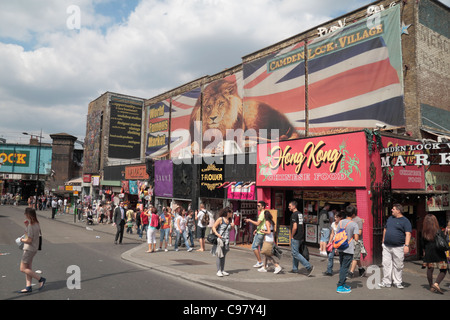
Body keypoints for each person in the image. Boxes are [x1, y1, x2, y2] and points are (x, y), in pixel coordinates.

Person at [378, 203, 412, 289]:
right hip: (386, 246)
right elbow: (385, 229)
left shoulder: (405, 221)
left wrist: (406, 245)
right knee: (386, 264)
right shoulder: (390, 218)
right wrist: (383, 240)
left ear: (398, 210)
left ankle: (397, 282)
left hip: (399, 246)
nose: (391, 210)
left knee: (398, 265)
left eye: (393, 209)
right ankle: (386, 282)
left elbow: (408, 234)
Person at [18, 207, 46, 293]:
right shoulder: (37, 224)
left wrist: (21, 240)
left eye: (25, 214)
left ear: (28, 215)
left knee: (22, 268)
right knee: (28, 268)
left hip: (29, 249)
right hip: (34, 248)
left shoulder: (31, 226)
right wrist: (26, 226)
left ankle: (40, 279)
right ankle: (28, 286)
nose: (25, 215)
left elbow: (29, 240)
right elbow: (33, 235)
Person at [421, 214, 448, 294]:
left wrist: (424, 251)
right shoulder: (439, 231)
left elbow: (422, 244)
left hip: (429, 252)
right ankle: (436, 284)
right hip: (439, 252)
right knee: (443, 269)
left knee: (430, 269)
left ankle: (431, 286)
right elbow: (444, 242)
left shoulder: (424, 232)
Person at [336, 205, 359, 293]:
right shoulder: (354, 224)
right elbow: (356, 238)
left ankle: (343, 283)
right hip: (349, 248)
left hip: (341, 247)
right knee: (344, 267)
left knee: (342, 266)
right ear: (353, 214)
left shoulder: (341, 222)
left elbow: (337, 234)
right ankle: (340, 285)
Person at [289, 201, 314, 276]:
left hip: (296, 236)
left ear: (294, 206)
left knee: (295, 253)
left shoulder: (294, 215)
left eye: (290, 206)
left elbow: (295, 227)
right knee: (296, 252)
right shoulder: (300, 214)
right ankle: (295, 268)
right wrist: (302, 234)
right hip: (300, 236)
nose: (288, 207)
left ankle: (308, 266)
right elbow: (302, 225)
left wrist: (292, 235)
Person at [211, 207, 234, 277]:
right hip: (220, 239)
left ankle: (222, 270)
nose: (232, 214)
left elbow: (228, 230)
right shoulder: (220, 219)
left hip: (226, 240)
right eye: (231, 213)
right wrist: (217, 234)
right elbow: (213, 227)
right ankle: (218, 270)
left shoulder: (229, 220)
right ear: (227, 213)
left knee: (223, 255)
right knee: (219, 255)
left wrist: (232, 226)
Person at [244, 201, 267, 268]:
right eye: (257, 206)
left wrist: (249, 220)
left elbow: (258, 223)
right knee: (263, 249)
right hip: (260, 231)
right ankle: (265, 263)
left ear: (263, 206)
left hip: (260, 233)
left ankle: (260, 262)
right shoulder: (263, 213)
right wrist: (256, 229)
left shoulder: (262, 213)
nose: (257, 207)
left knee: (254, 247)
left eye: (259, 206)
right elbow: (262, 224)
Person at [324, 210, 344, 276]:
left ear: (340, 218)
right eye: (335, 217)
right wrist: (330, 241)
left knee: (341, 257)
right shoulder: (333, 224)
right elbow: (332, 233)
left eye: (336, 217)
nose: (335, 219)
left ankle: (342, 271)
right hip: (333, 242)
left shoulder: (342, 225)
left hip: (340, 243)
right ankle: (329, 271)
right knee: (330, 256)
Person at [348, 206, 366, 278]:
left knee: (355, 257)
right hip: (350, 240)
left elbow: (359, 232)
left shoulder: (358, 220)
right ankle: (361, 269)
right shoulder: (349, 219)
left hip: (356, 241)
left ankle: (351, 272)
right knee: (356, 256)